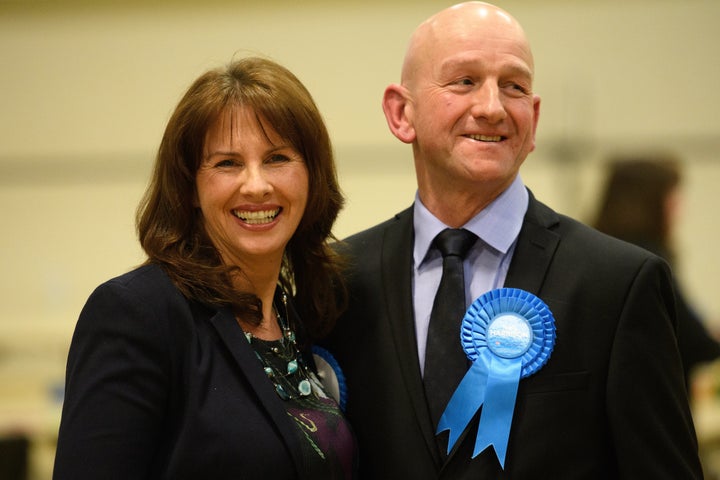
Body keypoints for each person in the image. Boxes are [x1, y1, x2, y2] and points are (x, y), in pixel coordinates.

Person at [323, 2, 702, 478]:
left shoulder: (618, 284)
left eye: (514, 86)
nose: (492, 107)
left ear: (535, 119)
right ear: (402, 113)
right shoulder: (339, 280)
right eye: (463, 81)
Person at [53, 57, 357, 479]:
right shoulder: (137, 315)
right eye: (227, 163)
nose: (256, 184)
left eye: (277, 158)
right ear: (190, 188)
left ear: (311, 176)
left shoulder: (301, 317)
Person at [594, 154, 720, 389]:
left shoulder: (592, 250)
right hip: (645, 399)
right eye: (672, 196)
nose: (679, 206)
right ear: (650, 201)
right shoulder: (647, 261)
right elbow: (692, 340)